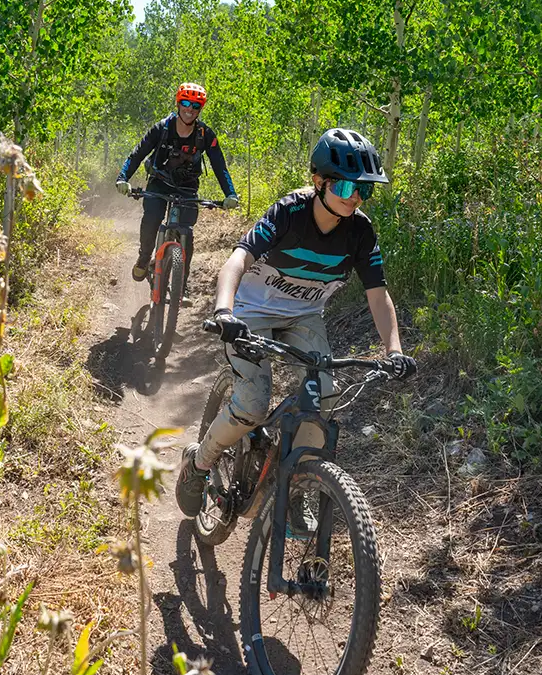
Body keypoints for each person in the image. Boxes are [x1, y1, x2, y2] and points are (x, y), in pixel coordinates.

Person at [175, 128, 417, 532]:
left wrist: (394, 351)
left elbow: (379, 295)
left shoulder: (361, 231)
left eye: (364, 190)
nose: (355, 196)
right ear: (319, 182)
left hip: (305, 316)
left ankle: (296, 491)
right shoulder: (288, 212)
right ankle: (198, 463)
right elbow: (236, 261)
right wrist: (224, 311)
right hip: (250, 313)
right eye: (345, 185)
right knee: (252, 405)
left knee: (323, 400)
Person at [116, 82, 239, 302]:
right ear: (178, 102)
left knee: (187, 234)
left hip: (187, 187)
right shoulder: (162, 128)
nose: (189, 109)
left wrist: (230, 194)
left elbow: (220, 166)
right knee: (152, 219)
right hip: (159, 182)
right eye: (185, 103)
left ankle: (181, 287)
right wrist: (122, 178)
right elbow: (137, 153)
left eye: (195, 105)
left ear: (200, 108)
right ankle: (144, 259)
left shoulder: (205, 135)